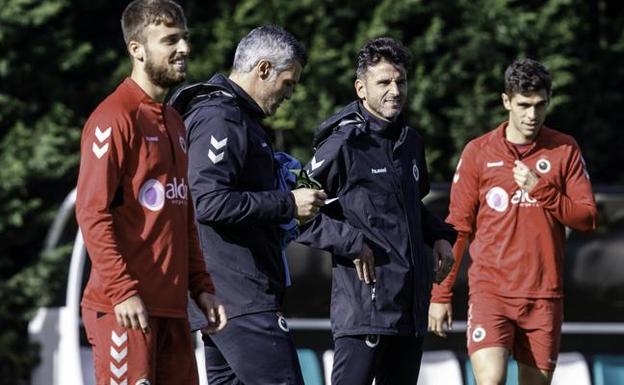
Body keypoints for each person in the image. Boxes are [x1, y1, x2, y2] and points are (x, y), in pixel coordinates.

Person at [75, 1, 226, 384]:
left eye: (185, 38)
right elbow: (92, 213)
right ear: (137, 49)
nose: (184, 49)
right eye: (170, 40)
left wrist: (201, 287)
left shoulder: (175, 120)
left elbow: (181, 211)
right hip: (124, 310)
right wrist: (123, 291)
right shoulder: (113, 118)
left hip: (173, 311)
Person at [169, 25, 326, 384]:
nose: (289, 94)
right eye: (288, 83)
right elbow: (208, 202)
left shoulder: (236, 117)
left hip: (226, 296)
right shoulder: (221, 117)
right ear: (264, 69)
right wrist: (287, 203)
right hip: (240, 296)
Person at [296, 37, 456, 385]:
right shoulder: (344, 143)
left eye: (400, 81)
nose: (394, 90)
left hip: (409, 311)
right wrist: (349, 241)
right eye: (384, 82)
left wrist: (441, 236)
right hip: (364, 309)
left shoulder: (411, 142)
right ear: (361, 88)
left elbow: (408, 209)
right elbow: (295, 211)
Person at [428, 58, 598, 385]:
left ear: (549, 100)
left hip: (543, 295)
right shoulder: (479, 152)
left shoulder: (564, 150)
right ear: (506, 101)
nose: (532, 115)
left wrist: (542, 189)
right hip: (491, 292)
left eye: (540, 105)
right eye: (523, 105)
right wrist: (440, 294)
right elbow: (457, 229)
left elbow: (587, 218)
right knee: (490, 381)